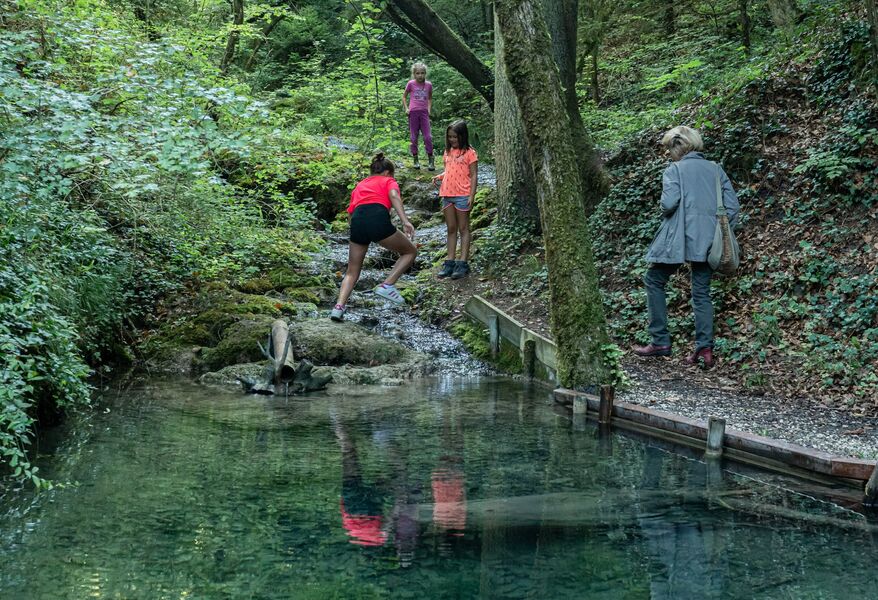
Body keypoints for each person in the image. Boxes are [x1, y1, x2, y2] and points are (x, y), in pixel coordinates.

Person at [633, 126, 740, 368]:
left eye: (669, 149)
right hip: (710, 242)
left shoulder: (675, 170)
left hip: (678, 239)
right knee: (701, 293)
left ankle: (660, 341)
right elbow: (732, 208)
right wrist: (716, 232)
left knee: (654, 279)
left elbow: (669, 203)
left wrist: (665, 207)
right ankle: (704, 350)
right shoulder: (715, 170)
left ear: (676, 148)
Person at [330, 153, 416, 322]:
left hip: (357, 221)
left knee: (352, 271)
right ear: (388, 173)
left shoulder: (361, 184)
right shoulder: (389, 181)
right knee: (410, 252)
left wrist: (357, 231)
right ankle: (387, 284)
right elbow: (394, 196)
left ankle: (338, 307)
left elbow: (351, 212)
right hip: (376, 218)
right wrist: (405, 221)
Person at [432, 120, 478, 280]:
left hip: (462, 195)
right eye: (450, 137)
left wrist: (472, 195)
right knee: (451, 229)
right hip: (447, 194)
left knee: (463, 228)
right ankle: (449, 262)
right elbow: (450, 170)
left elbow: (473, 175)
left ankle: (462, 263)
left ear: (462, 136)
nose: (452, 140)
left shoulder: (469, 153)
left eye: (455, 137)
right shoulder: (447, 152)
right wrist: (440, 176)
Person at [403, 62, 434, 171]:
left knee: (428, 137)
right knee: (413, 137)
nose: (420, 75)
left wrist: (429, 109)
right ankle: (415, 158)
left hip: (424, 113)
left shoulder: (428, 85)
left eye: (422, 73)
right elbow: (404, 96)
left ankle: (431, 159)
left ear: (425, 73)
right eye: (418, 73)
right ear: (414, 74)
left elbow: (430, 98)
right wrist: (406, 108)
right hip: (413, 113)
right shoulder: (411, 83)